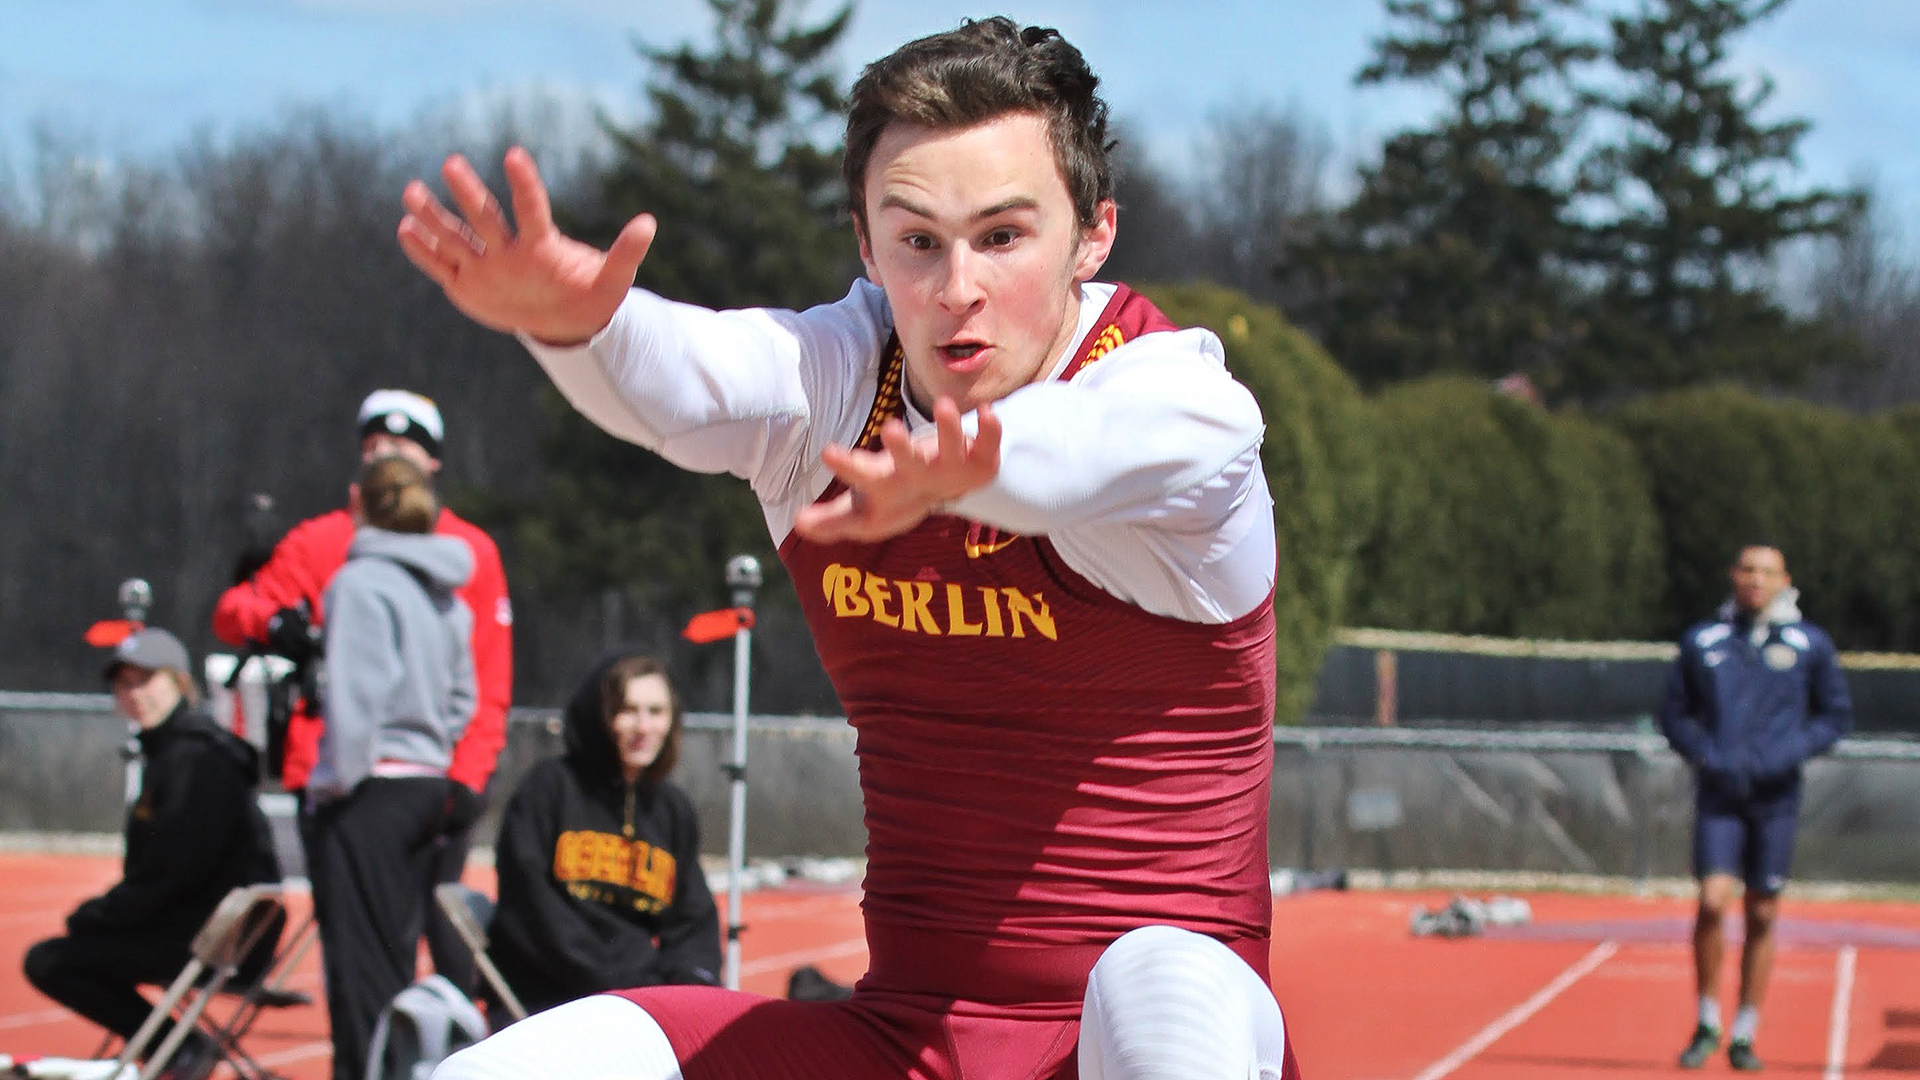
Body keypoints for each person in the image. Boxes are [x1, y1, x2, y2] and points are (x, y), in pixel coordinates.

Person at [400, 16, 1297, 1080]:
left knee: (1153, 979)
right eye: (917, 241)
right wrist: (582, 328)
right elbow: (704, 371)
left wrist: (968, 469)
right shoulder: (844, 380)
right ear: (868, 246)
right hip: (910, 1043)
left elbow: (1097, 446)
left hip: (1168, 1027)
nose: (956, 287)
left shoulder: (1180, 397)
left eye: (1003, 237)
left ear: (1093, 235)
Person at [212, 388, 513, 992]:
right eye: (373, 446)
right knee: (354, 952)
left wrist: (467, 777)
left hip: (427, 778)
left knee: (445, 938)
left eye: (400, 446)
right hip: (336, 776)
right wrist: (274, 623)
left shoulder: (470, 553)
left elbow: (487, 682)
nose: (384, 457)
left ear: (432, 462)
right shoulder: (321, 540)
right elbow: (235, 611)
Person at [25, 627, 282, 1080]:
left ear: (178, 681)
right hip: (206, 932)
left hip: (209, 940)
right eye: (123, 684)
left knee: (50, 960)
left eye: (145, 680)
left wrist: (102, 915)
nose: (134, 694)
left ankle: (175, 1047)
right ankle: (175, 1046)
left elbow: (175, 870)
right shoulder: (174, 752)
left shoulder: (196, 758)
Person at [305, 454, 476, 1080]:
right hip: (429, 786)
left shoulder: (359, 585)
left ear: (359, 504)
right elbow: (462, 699)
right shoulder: (447, 595)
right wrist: (431, 747)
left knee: (361, 977)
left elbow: (356, 699)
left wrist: (334, 783)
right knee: (398, 963)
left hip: (372, 793)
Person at [1659, 542, 1853, 1072]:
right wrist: (1704, 753)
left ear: (1784, 580)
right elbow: (1674, 714)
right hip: (1719, 794)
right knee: (1712, 901)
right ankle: (1706, 1020)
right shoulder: (1703, 640)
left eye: (1767, 572)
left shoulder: (1809, 643)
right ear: (1733, 575)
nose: (1756, 580)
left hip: (1775, 797)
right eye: (1747, 569)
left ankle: (1745, 1029)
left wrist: (1788, 752)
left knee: (1763, 910)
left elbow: (1834, 716)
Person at [487, 651, 720, 1017]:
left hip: (633, 1001)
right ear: (600, 714)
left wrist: (691, 989)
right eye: (627, 710)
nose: (643, 727)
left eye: (656, 711)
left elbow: (693, 921)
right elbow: (530, 908)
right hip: (547, 998)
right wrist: (621, 985)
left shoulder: (672, 810)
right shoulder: (549, 788)